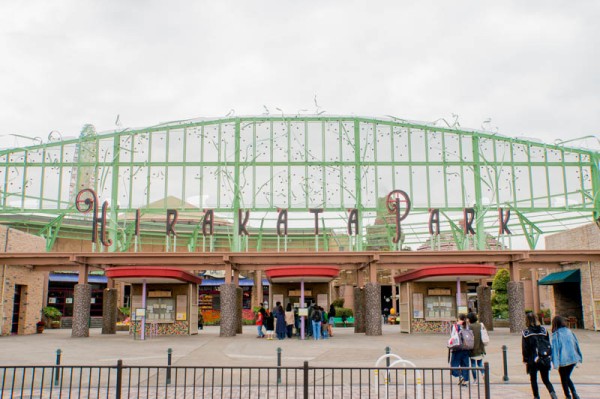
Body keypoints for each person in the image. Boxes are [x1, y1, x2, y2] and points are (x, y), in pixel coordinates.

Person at [522, 312, 557, 399]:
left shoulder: (526, 333)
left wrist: (525, 359)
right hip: (544, 358)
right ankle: (552, 393)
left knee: (533, 379)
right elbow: (548, 343)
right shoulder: (544, 331)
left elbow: (525, 348)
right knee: (546, 379)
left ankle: (536, 396)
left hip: (532, 359)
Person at [551, 316, 582, 399]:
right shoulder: (569, 331)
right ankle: (574, 394)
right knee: (566, 377)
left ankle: (568, 395)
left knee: (564, 378)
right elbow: (576, 344)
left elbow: (555, 350)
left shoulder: (556, 334)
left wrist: (555, 363)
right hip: (573, 359)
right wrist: (579, 357)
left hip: (563, 360)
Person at [448, 314, 470, 387]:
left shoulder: (455, 326)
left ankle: (460, 376)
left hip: (457, 348)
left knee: (454, 365)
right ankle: (465, 380)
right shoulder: (467, 326)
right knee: (465, 365)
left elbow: (452, 336)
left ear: (459, 319)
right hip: (466, 348)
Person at [466, 312, 486, 382]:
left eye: (467, 318)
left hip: (473, 348)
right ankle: (483, 374)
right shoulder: (480, 325)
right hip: (481, 347)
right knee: (480, 363)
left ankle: (475, 379)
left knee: (473, 364)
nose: (467, 319)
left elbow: (468, 338)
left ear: (470, 319)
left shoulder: (470, 326)